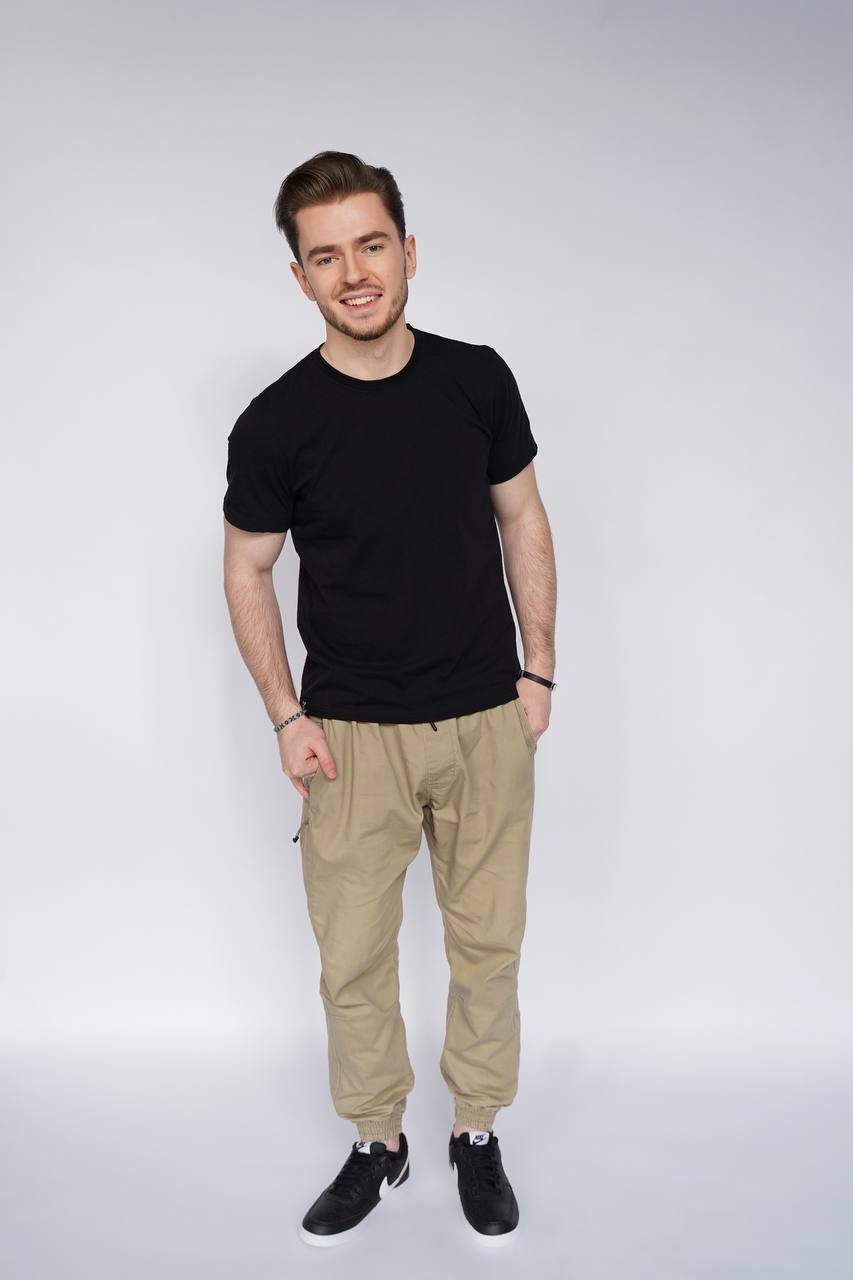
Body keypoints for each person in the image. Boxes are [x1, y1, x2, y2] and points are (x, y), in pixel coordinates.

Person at [222, 151, 557, 1247]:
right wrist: (285, 715)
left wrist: (537, 670)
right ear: (300, 277)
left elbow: (522, 515)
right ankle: (379, 1140)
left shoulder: (476, 381)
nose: (354, 272)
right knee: (353, 958)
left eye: (371, 245)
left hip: (483, 719)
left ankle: (475, 1129)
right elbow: (246, 565)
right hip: (350, 735)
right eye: (326, 256)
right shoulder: (276, 421)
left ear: (407, 251)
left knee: (486, 945)